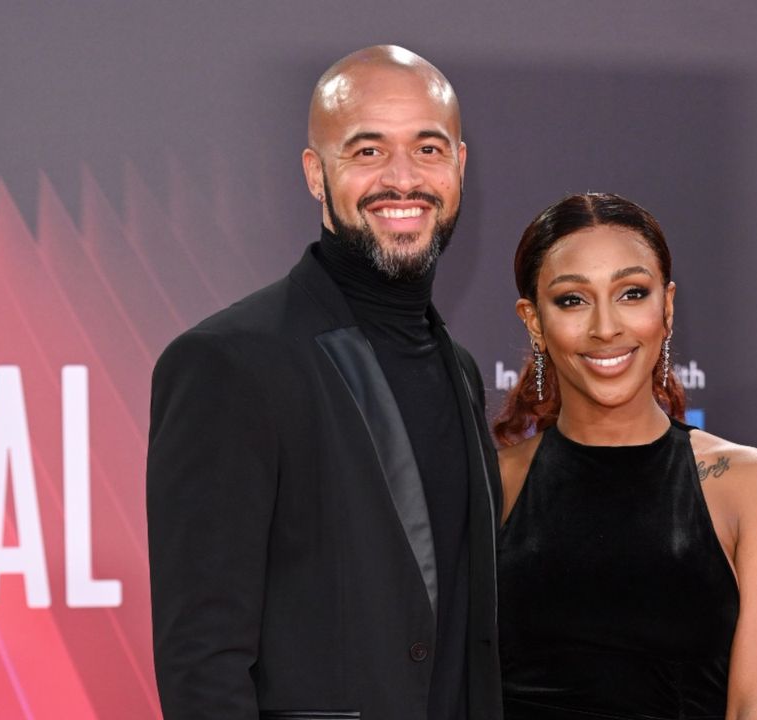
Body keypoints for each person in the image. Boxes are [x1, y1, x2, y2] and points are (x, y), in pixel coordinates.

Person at [147, 45, 502, 719]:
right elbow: (203, 657)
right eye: (367, 152)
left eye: (427, 149)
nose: (403, 179)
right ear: (316, 173)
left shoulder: (457, 368)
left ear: (458, 165)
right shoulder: (230, 362)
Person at [492, 193, 757, 719]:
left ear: (666, 307)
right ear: (534, 322)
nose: (605, 327)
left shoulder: (753, 486)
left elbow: (756, 709)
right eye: (573, 299)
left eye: (631, 293)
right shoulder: (493, 483)